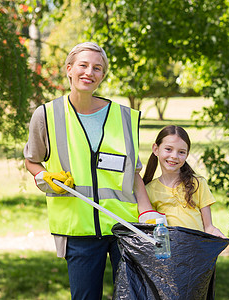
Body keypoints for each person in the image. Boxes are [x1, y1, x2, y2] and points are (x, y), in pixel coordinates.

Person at [23, 42, 162, 299]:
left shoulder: (123, 117)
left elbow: (132, 173)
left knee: (134, 296)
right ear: (69, 69)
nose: (89, 72)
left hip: (125, 227)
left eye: (97, 68)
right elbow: (31, 160)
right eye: (83, 65)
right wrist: (42, 176)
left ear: (102, 76)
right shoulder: (47, 115)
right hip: (79, 230)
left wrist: (147, 213)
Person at [143, 125, 227, 238]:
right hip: (171, 252)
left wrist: (214, 232)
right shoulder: (149, 190)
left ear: (187, 155)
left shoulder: (198, 184)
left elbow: (208, 227)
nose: (174, 156)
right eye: (168, 149)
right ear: (156, 149)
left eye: (181, 152)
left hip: (196, 250)